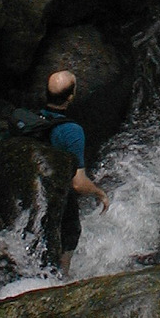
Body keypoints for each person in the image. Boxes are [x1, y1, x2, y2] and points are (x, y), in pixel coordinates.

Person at [42, 69, 110, 275]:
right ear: (71, 97)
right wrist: (100, 193)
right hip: (57, 193)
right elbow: (78, 183)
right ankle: (62, 280)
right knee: (70, 234)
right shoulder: (71, 131)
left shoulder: (29, 117)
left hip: (34, 187)